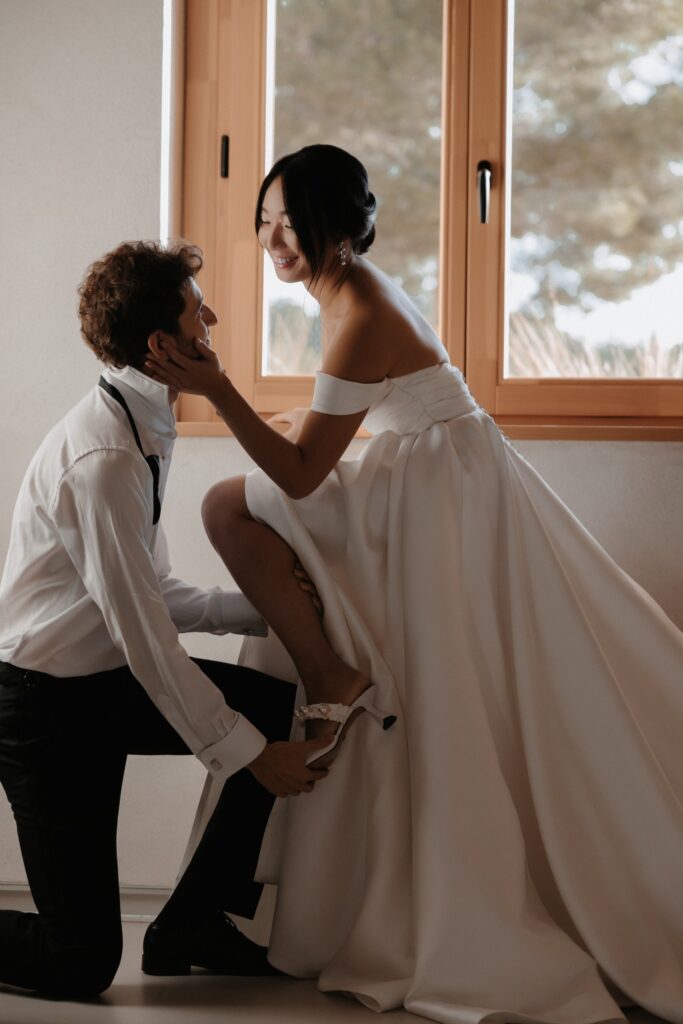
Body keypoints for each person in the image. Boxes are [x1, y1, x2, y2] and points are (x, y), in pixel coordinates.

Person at [144, 146, 683, 1024]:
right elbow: (348, 418)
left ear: (342, 230)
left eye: (293, 221)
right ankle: (319, 679)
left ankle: (329, 676)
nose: (274, 238)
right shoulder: (346, 295)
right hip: (427, 479)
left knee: (224, 508)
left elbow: (309, 472)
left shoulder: (355, 306)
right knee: (250, 517)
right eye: (265, 218)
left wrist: (218, 390)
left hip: (436, 500)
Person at [0, 240, 330, 1000]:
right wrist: (250, 757)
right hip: (42, 707)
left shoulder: (141, 420)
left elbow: (153, 593)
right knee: (76, 962)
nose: (209, 318)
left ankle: (191, 924)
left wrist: (266, 612)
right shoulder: (107, 456)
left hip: (100, 680)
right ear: (162, 345)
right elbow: (145, 635)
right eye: (196, 311)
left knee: (267, 710)